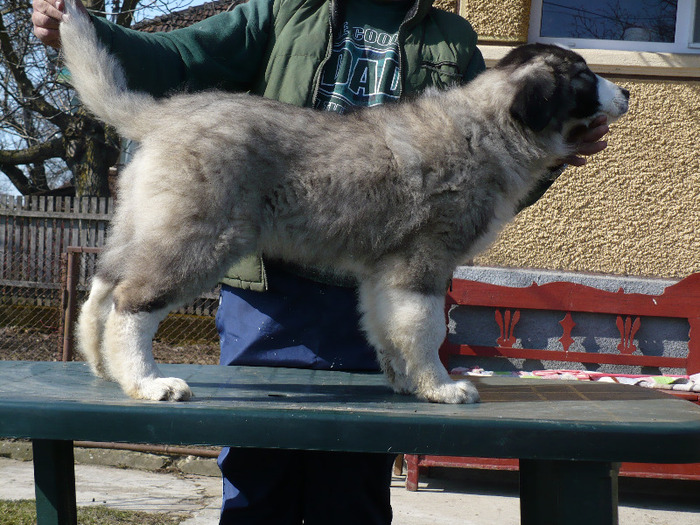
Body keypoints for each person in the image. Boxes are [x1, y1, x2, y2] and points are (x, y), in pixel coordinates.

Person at [33, 0, 610, 522]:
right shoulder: (285, 10)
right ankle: (126, 353)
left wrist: (555, 153)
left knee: (351, 495)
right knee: (261, 488)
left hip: (351, 309)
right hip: (269, 302)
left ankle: (114, 341)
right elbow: (179, 54)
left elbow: (497, 149)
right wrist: (80, 28)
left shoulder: (449, 37)